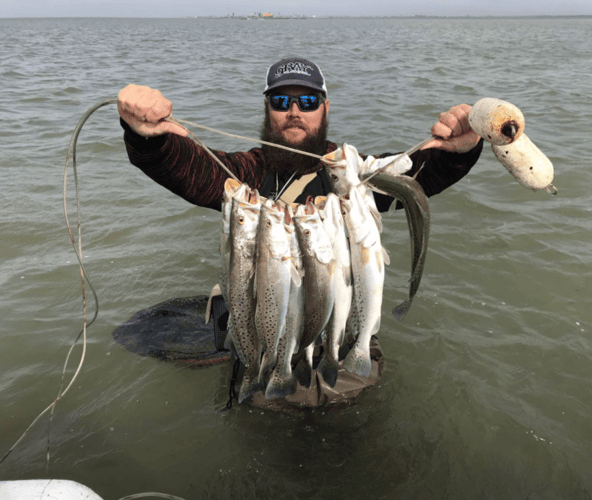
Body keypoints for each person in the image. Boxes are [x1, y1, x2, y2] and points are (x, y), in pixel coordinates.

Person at [117, 57, 483, 408]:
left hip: (342, 344)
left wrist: (459, 152)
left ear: (325, 108)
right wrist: (148, 138)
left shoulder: (352, 177)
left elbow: (419, 175)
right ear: (267, 108)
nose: (295, 111)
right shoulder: (248, 174)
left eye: (307, 101)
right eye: (281, 101)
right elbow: (188, 168)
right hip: (273, 347)